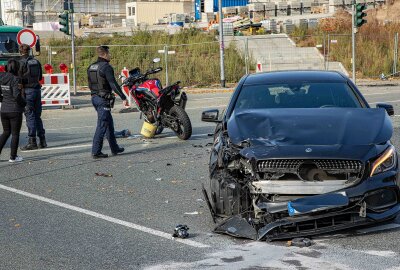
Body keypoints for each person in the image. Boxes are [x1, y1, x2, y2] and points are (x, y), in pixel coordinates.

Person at [88, 45, 128, 159]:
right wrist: (123, 96)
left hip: (95, 98)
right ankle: (96, 151)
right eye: (109, 53)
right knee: (102, 124)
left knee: (108, 123)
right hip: (103, 99)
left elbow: (90, 84)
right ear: (105, 54)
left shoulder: (91, 66)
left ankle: (114, 148)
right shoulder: (106, 67)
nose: (110, 55)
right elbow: (113, 83)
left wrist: (96, 94)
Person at [18, 43, 46, 150]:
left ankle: (32, 141)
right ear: (29, 51)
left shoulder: (20, 63)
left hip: (27, 91)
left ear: (20, 52)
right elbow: (40, 77)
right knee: (37, 116)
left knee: (30, 116)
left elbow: (18, 80)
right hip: (37, 90)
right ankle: (42, 140)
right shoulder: (36, 61)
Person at [0, 59, 27, 162]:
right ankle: (13, 157)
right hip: (15, 110)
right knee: (15, 134)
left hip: (4, 110)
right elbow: (16, 95)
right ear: (17, 68)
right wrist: (24, 103)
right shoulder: (16, 79)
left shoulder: (1, 77)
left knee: (5, 133)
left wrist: (3, 100)